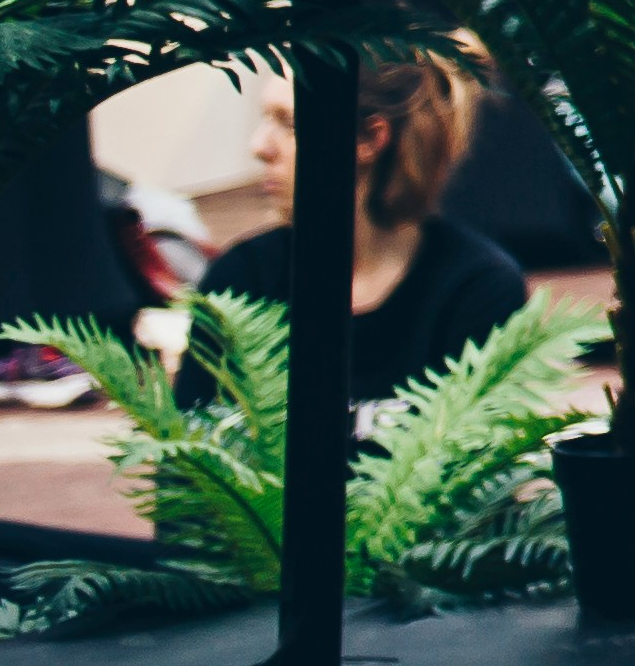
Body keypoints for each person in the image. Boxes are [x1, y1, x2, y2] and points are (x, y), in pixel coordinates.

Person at [199, 52, 528, 405]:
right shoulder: (241, 279)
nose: (259, 147)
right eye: (264, 119)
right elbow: (189, 446)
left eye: (289, 123)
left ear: (369, 138)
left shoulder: (477, 290)